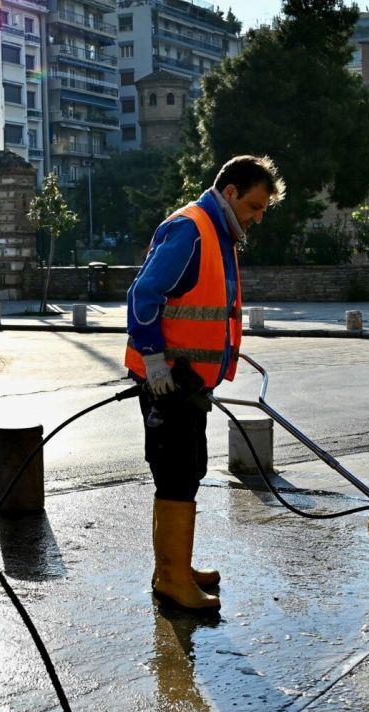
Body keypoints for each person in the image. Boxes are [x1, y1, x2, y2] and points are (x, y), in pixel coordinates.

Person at [124, 155, 284, 612]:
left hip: (188, 382)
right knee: (176, 471)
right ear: (230, 193)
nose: (257, 217)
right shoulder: (192, 228)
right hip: (168, 381)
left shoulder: (218, 233)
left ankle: (173, 566)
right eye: (254, 206)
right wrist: (154, 361)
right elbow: (144, 293)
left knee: (187, 469)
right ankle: (172, 577)